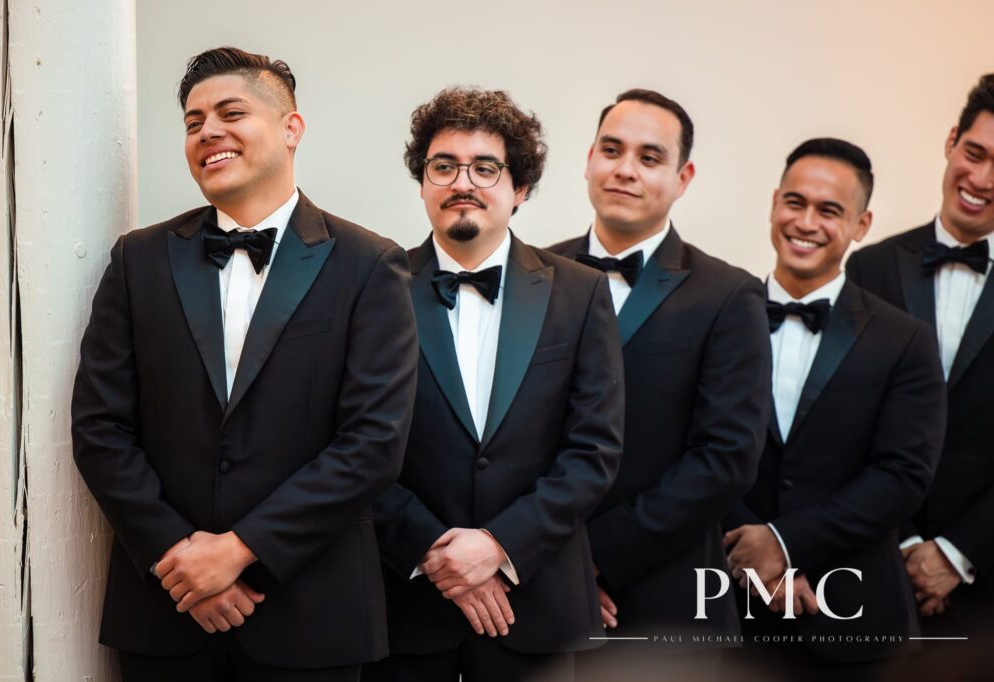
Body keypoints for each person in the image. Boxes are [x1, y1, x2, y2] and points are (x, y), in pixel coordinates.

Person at [71, 46, 418, 681]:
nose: (209, 132)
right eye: (193, 121)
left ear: (292, 128)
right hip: (165, 614)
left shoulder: (370, 264)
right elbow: (100, 428)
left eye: (231, 112)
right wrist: (179, 559)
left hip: (312, 617)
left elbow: (374, 442)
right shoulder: (138, 260)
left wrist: (238, 551)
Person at [366, 87, 625, 682]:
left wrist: (499, 546)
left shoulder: (581, 292)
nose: (463, 182)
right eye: (444, 166)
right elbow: (350, 443)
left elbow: (595, 452)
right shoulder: (373, 288)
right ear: (423, 181)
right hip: (404, 609)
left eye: (486, 167)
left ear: (520, 188)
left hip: (538, 606)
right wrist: (434, 552)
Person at [548, 89, 772, 679]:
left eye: (650, 158)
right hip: (532, 593)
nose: (625, 169)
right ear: (588, 158)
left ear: (683, 176)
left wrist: (595, 560)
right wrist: (551, 560)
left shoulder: (729, 295)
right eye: (612, 150)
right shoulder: (533, 275)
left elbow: (726, 459)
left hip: (666, 604)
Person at [724, 138, 945, 679]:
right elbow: (690, 451)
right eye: (795, 202)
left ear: (862, 224)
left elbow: (902, 476)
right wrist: (751, 554)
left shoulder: (906, 339)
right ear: (774, 202)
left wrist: (784, 545)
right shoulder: (715, 314)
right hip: (725, 609)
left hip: (857, 620)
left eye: (830, 211)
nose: (806, 222)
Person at [846, 74, 994, 637]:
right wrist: (904, 544)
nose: (980, 179)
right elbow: (849, 423)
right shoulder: (869, 268)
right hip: (872, 568)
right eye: (973, 153)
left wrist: (957, 555)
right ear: (952, 140)